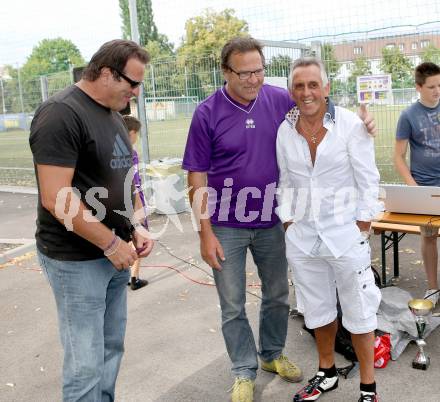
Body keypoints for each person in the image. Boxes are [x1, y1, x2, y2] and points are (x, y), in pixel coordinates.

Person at [182, 36, 377, 402]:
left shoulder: (277, 98)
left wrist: (361, 116)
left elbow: (318, 101)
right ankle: (243, 370)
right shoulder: (206, 113)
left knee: (277, 295)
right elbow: (196, 177)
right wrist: (204, 232)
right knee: (233, 302)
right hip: (226, 223)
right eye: (245, 73)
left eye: (260, 71)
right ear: (226, 71)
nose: (254, 80)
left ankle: (271, 354)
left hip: (273, 220)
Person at [29, 39, 154, 401]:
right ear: (104, 72)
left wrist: (132, 229)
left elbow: (115, 179)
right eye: (132, 82)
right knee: (85, 362)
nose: (136, 91)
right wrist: (110, 243)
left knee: (110, 348)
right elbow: (57, 197)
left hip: (114, 253)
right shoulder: (60, 114)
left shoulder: (114, 114)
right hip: (77, 260)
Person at [276, 56, 382, 402]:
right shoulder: (284, 129)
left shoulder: (351, 125)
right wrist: (289, 222)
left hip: (345, 236)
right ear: (292, 90)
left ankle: (368, 388)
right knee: (317, 309)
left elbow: (368, 177)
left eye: (313, 84)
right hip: (304, 239)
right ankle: (327, 373)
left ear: (326, 88)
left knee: (359, 311)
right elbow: (285, 181)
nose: (306, 92)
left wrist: (362, 223)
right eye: (299, 86)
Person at [394, 61, 440, 307]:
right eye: (432, 86)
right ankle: (433, 288)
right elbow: (398, 156)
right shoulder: (408, 116)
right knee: (430, 236)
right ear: (419, 87)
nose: (437, 91)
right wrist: (414, 188)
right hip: (425, 187)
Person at [123, 114, 150, 291]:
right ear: (131, 133)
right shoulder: (130, 153)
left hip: (120, 203)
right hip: (133, 200)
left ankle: (125, 273)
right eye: (136, 134)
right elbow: (134, 183)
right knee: (140, 238)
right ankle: (134, 277)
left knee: (126, 238)